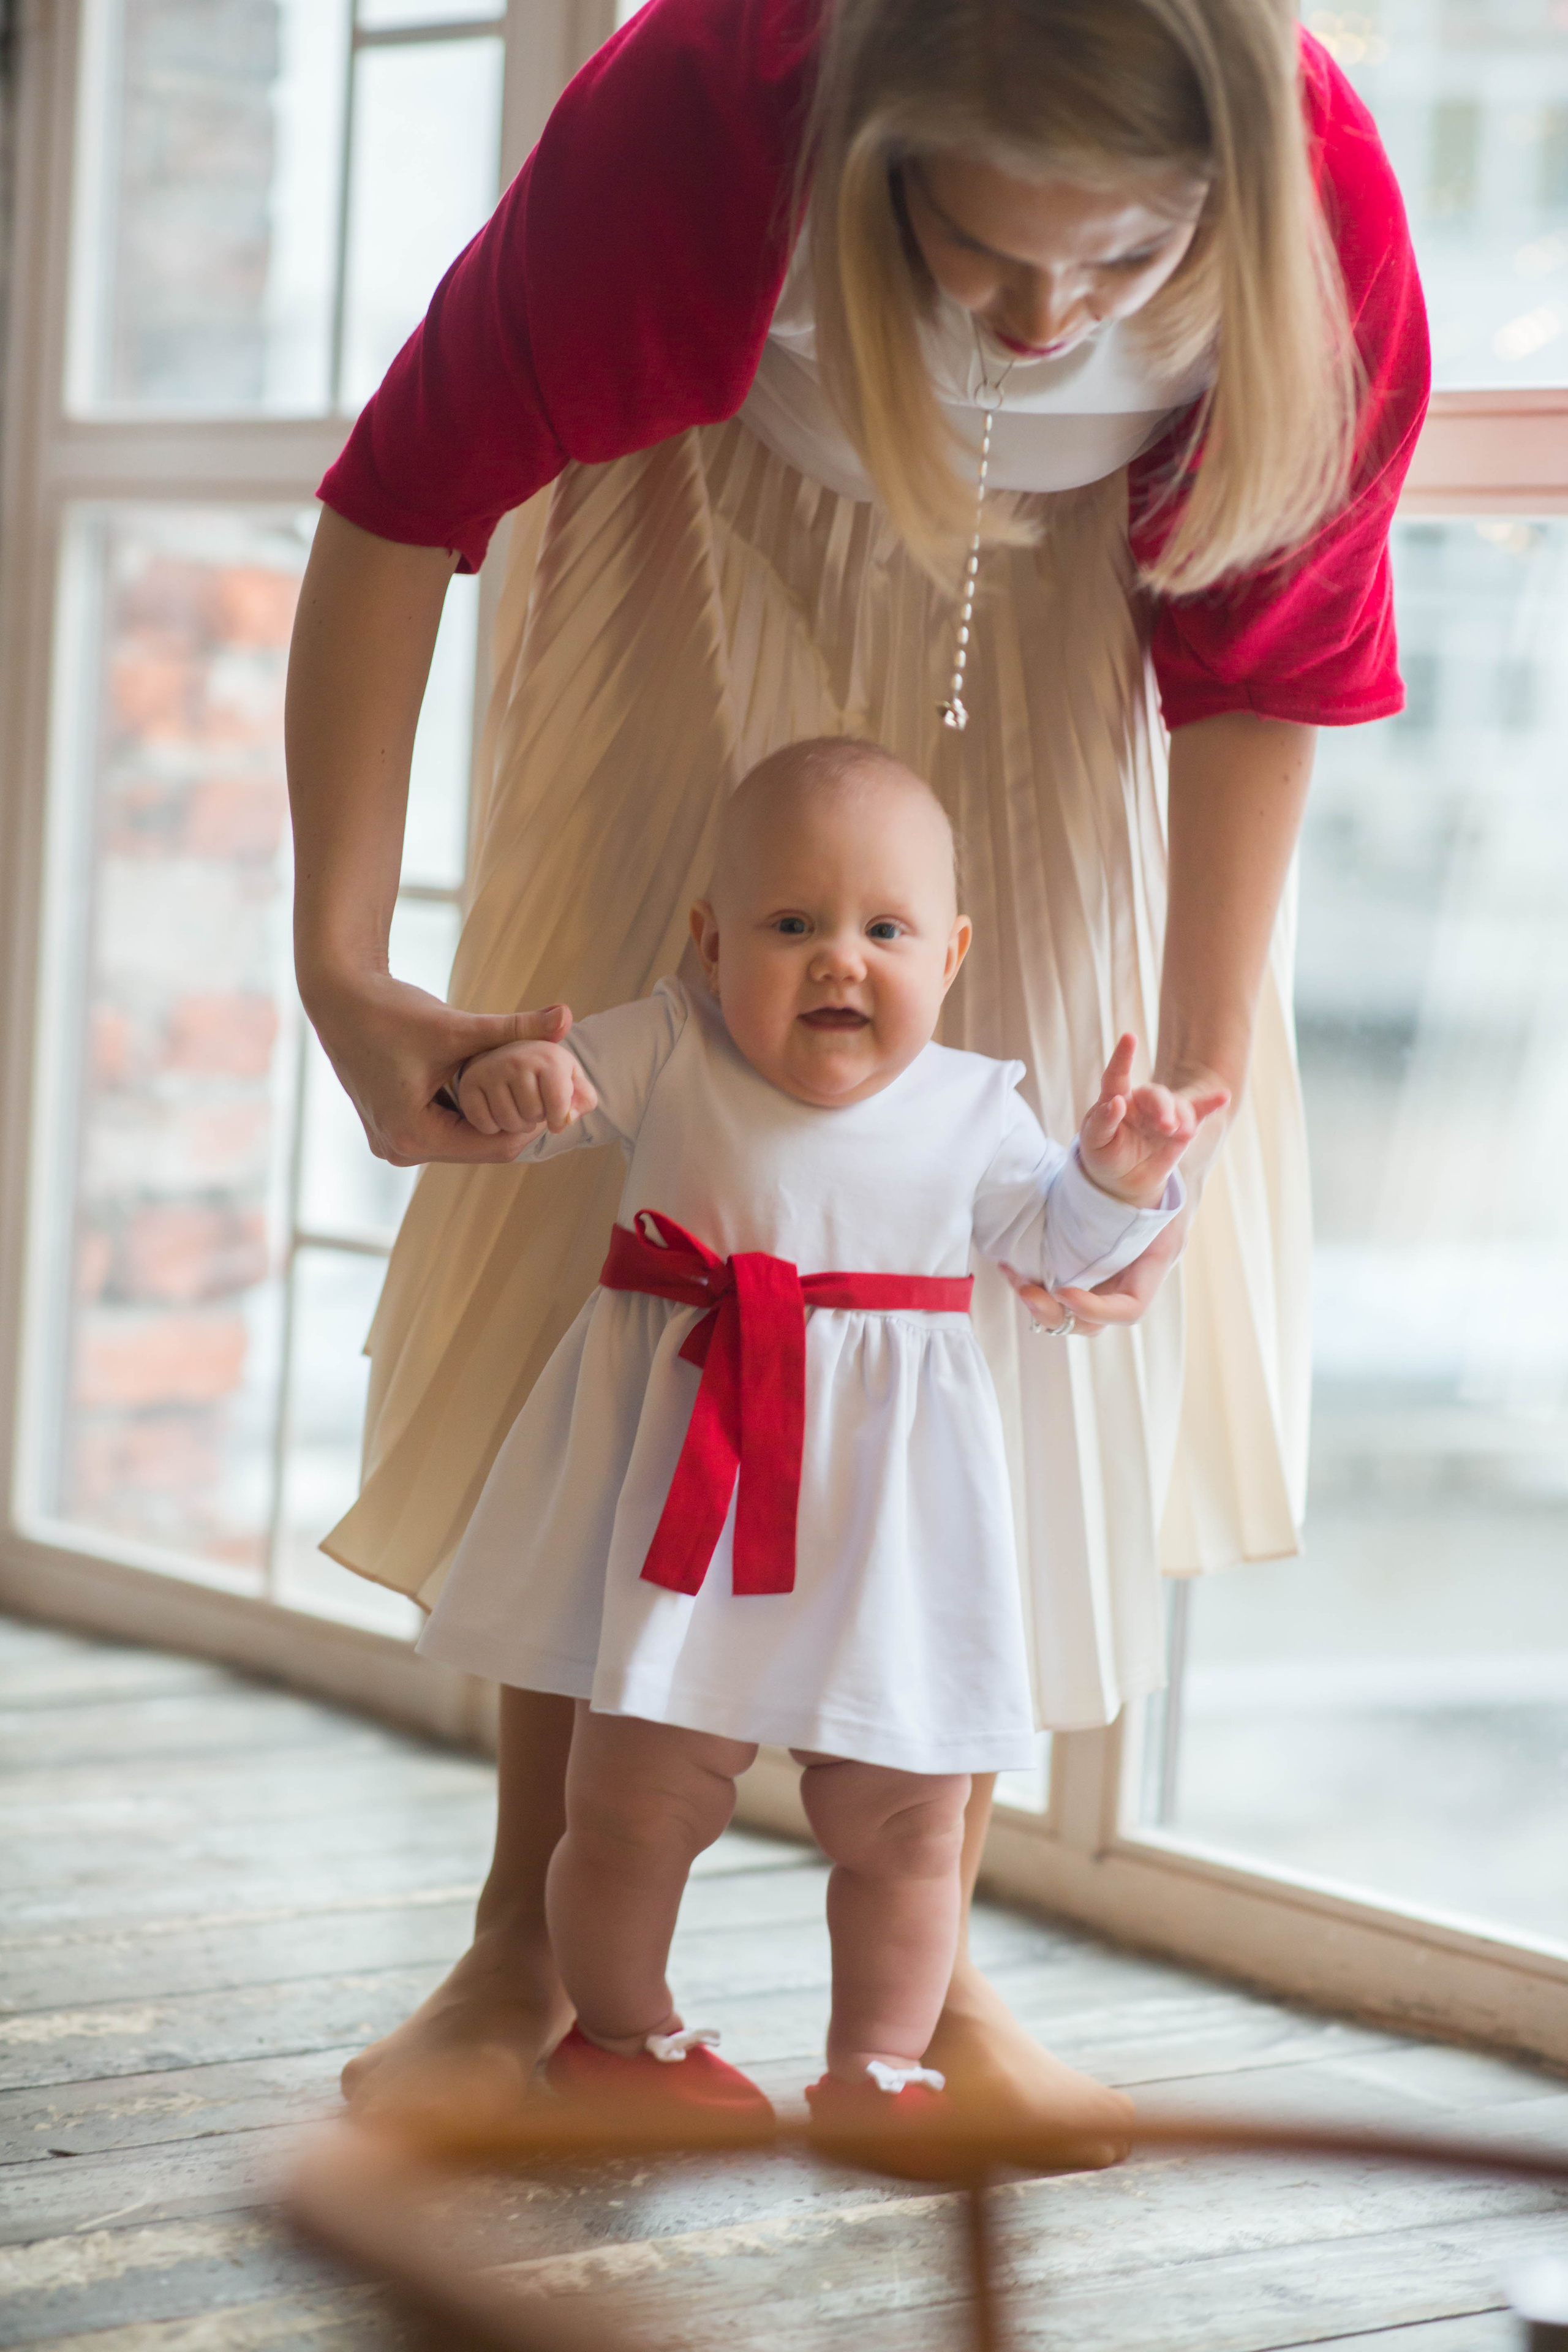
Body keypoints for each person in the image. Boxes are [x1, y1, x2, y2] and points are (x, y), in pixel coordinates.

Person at [283, 0, 1428, 2160]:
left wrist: (1181, 1098)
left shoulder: (1325, 198)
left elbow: (1279, 659)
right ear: (870, 145)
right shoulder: (706, 121)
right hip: (697, 534)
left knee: (982, 1272)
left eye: (1120, 268)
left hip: (1095, 609)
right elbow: (398, 498)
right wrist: (346, 968)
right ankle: (526, 1947)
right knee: (630, 1245)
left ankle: (931, 1971)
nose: (1046, 317)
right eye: (987, 256)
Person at [415, 738, 1213, 2165]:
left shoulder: (976, 1105)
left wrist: (1118, 1176)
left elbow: (1056, 1248)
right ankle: (619, 2033)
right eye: (790, 926)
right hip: (696, 1502)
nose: (837, 959)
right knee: (631, 1798)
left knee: (909, 1818)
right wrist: (518, 1076)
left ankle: (886, 2062)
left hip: (890, 1526)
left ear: (950, 953)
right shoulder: (669, 1040)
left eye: (883, 930)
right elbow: (537, 1116)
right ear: (711, 943)